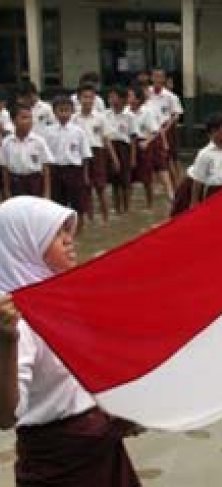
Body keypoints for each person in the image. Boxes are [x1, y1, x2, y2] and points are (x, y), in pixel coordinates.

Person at [0, 196, 141, 487]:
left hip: (100, 443)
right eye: (55, 234)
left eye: (68, 232)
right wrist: (7, 340)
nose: (69, 241)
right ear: (22, 243)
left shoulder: (63, 300)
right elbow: (5, 416)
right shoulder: (15, 318)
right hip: (59, 461)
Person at [171, 113, 222, 217]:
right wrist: (194, 203)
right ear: (214, 133)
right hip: (212, 192)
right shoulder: (205, 154)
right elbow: (198, 181)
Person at [44, 95, 93, 232]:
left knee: (78, 202)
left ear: (72, 112)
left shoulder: (78, 132)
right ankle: (60, 230)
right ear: (54, 112)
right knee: (58, 203)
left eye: (67, 110)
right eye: (61, 110)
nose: (64, 114)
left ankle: (80, 230)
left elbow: (85, 156)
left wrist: (86, 176)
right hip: (56, 170)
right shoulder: (48, 132)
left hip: (74, 171)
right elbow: (46, 157)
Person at [72, 84, 110, 223]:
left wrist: (113, 157)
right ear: (79, 99)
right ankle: (90, 219)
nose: (88, 100)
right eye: (85, 97)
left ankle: (106, 220)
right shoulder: (74, 118)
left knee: (101, 188)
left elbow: (105, 139)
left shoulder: (100, 118)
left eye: (91, 97)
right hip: (80, 155)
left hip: (97, 152)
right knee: (85, 189)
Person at [146, 68, 180, 199]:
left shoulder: (170, 96)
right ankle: (158, 190)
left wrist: (166, 128)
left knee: (170, 159)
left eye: (160, 77)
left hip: (167, 128)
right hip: (151, 130)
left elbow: (176, 115)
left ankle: (176, 188)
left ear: (164, 79)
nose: (158, 80)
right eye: (155, 76)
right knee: (152, 160)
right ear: (151, 78)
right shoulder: (147, 93)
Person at [127, 85, 162, 209]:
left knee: (147, 179)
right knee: (128, 179)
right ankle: (127, 206)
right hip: (129, 146)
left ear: (138, 99)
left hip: (143, 146)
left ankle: (150, 205)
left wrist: (146, 142)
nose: (128, 98)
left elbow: (155, 131)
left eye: (130, 96)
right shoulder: (125, 112)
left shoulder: (147, 112)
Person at [104, 85, 136, 215]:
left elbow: (133, 138)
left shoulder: (129, 116)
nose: (111, 100)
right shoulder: (105, 114)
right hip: (110, 148)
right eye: (109, 97)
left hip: (124, 148)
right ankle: (117, 209)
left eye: (114, 97)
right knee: (114, 182)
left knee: (126, 181)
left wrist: (133, 157)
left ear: (122, 99)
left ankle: (127, 208)